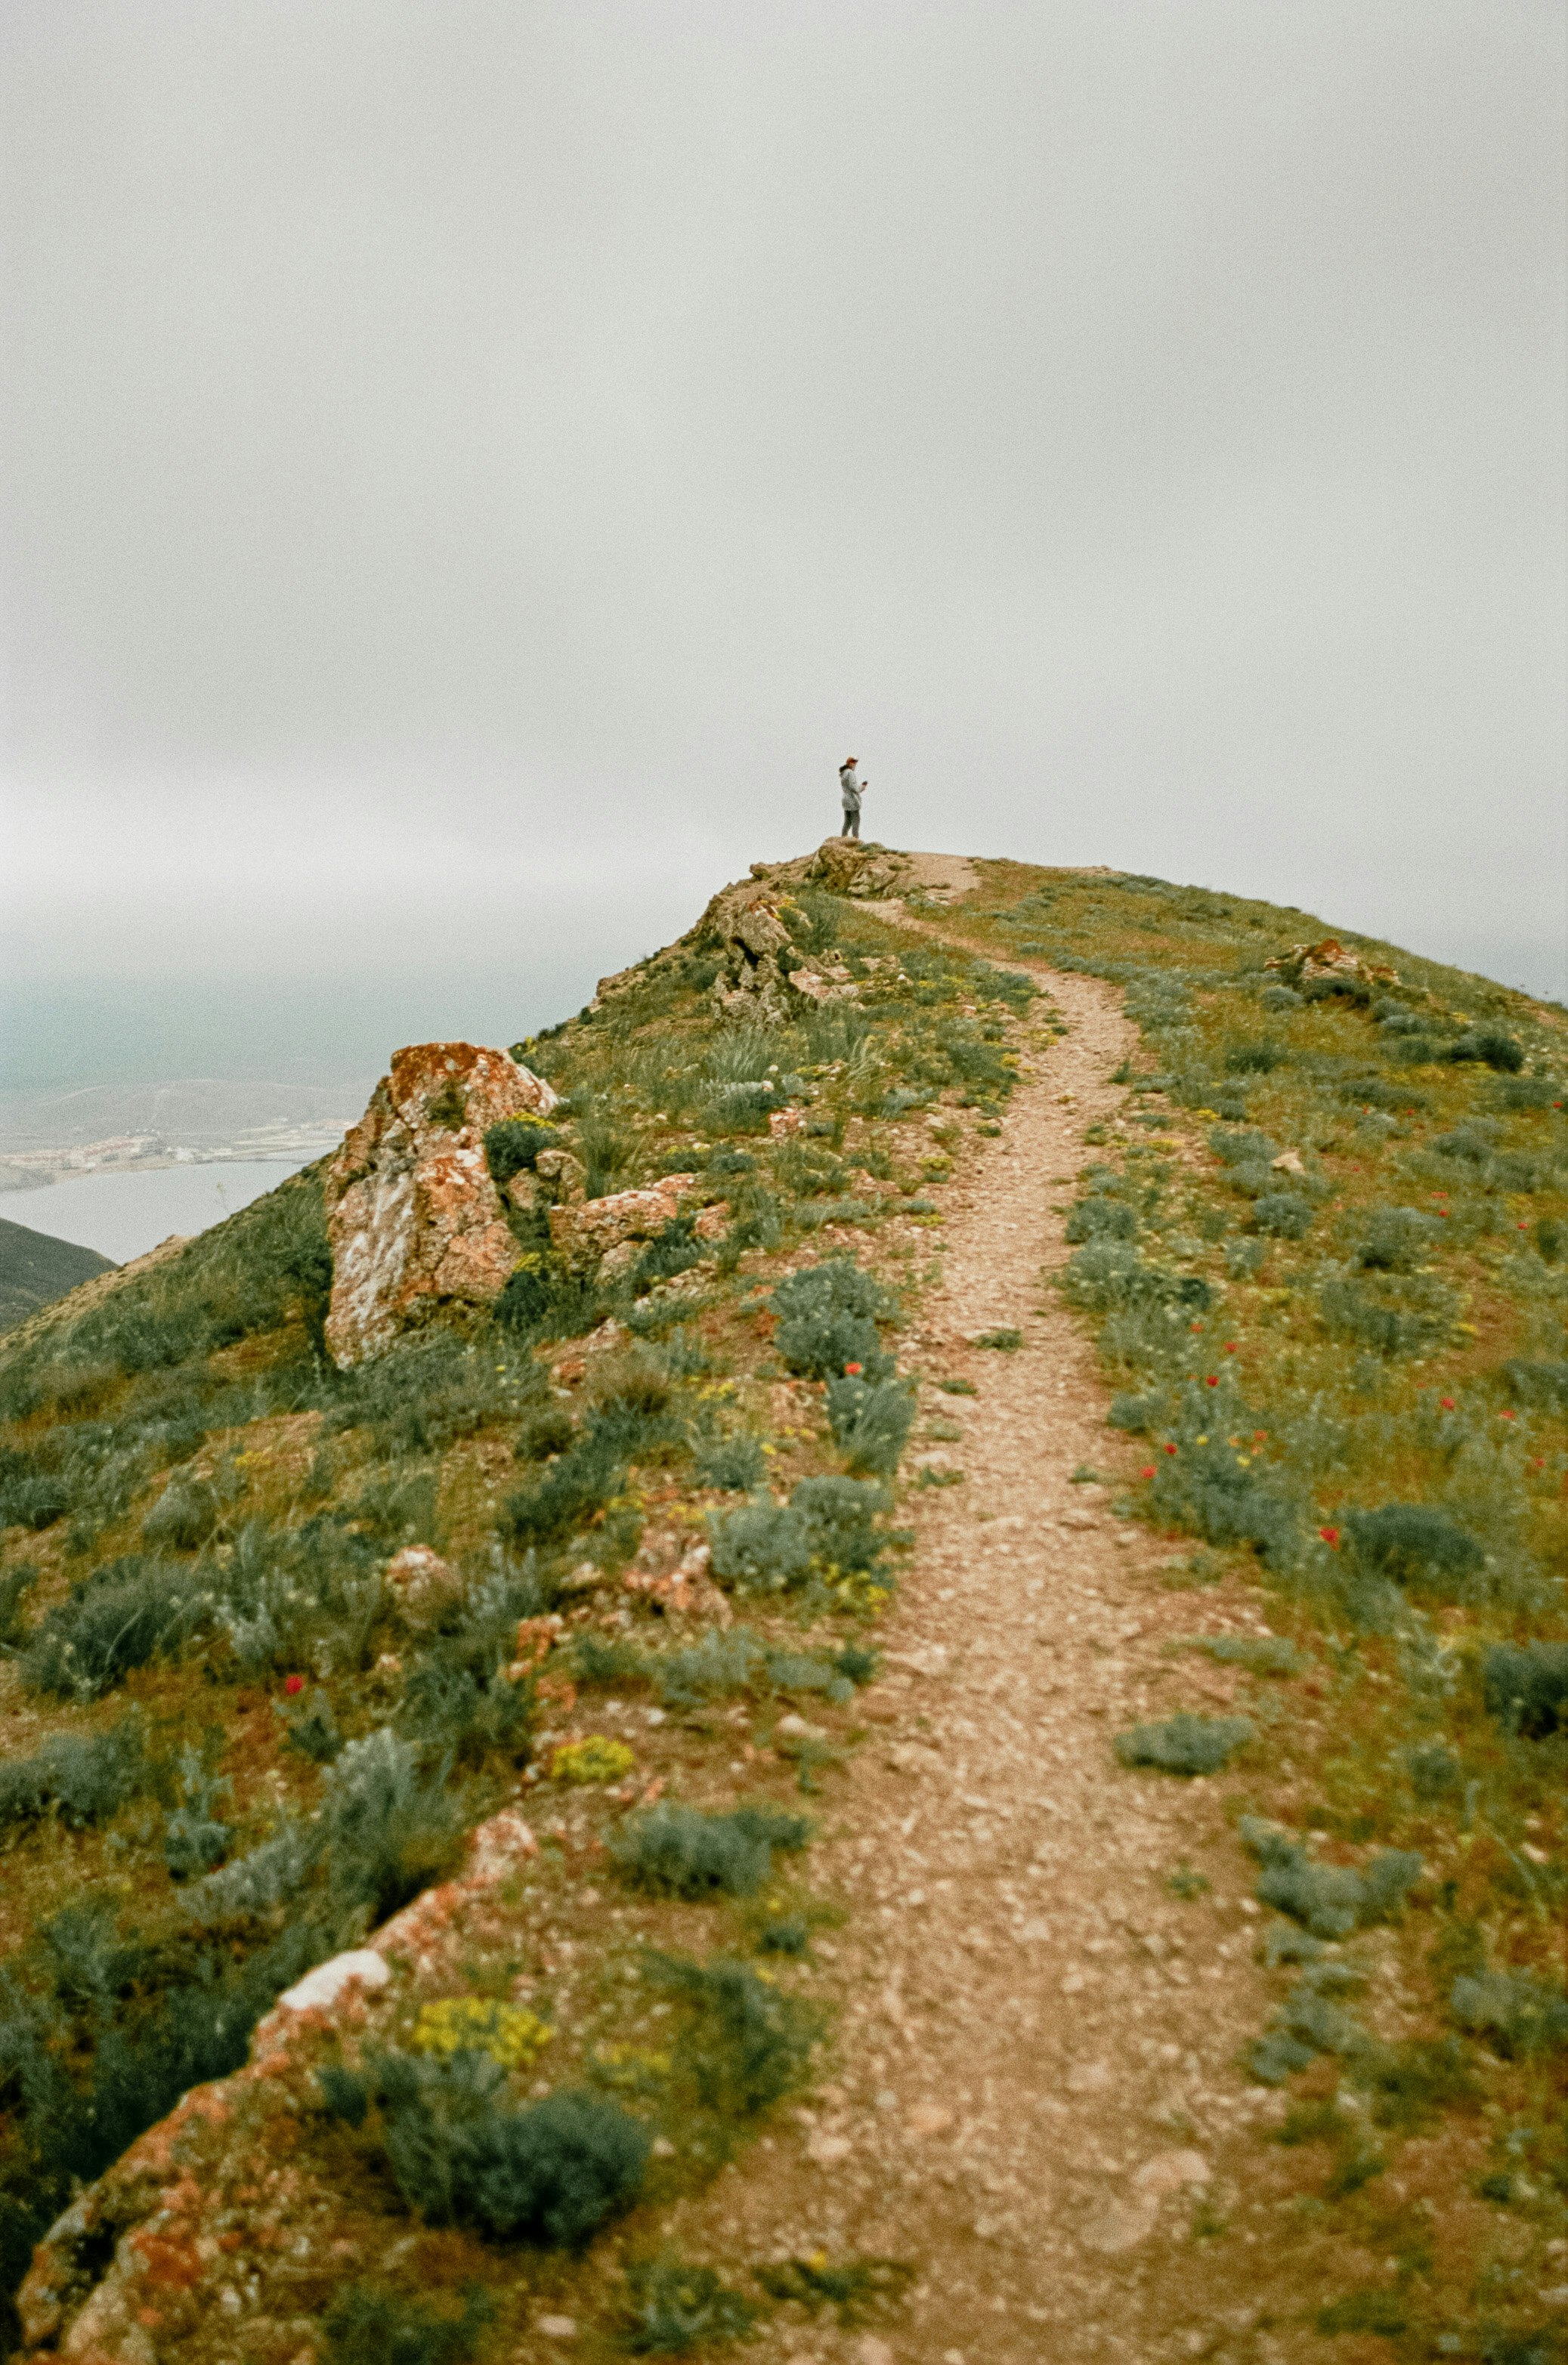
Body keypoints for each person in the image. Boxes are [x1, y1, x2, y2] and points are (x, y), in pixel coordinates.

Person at [839, 756, 864, 840]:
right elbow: (853, 787)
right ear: (849, 763)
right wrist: (861, 788)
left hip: (845, 799)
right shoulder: (850, 773)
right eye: (853, 763)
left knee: (847, 821)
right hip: (852, 799)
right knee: (856, 821)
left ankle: (843, 839)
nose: (854, 765)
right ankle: (855, 840)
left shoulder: (843, 774)